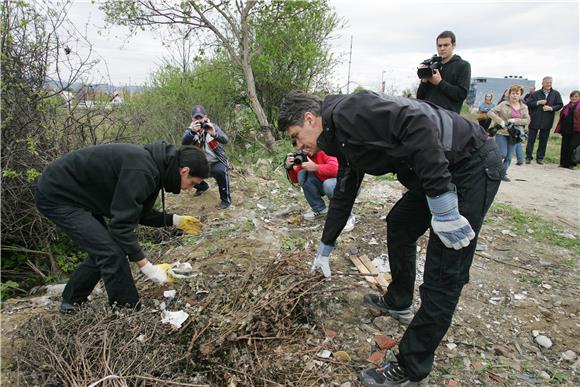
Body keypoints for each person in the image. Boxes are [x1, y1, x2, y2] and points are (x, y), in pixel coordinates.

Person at [278, 90, 502, 386]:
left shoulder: (350, 111)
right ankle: (399, 300)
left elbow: (418, 122)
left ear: (309, 119)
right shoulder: (339, 135)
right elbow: (345, 188)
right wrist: (326, 245)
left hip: (469, 163)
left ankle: (412, 366)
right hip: (435, 167)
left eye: (296, 137)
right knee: (400, 224)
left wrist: (443, 203)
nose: (299, 146)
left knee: (446, 269)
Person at [36, 142, 210, 313]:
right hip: (58, 194)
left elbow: (139, 213)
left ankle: (72, 301)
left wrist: (176, 220)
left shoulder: (156, 169)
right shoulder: (142, 171)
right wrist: (149, 268)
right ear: (184, 171)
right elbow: (120, 227)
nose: (190, 188)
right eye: (193, 183)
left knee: (104, 247)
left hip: (80, 195)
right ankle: (126, 311)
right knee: (111, 252)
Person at [285, 148, 356, 231]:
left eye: (307, 146)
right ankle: (320, 210)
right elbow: (296, 180)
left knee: (328, 184)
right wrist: (289, 167)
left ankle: (348, 217)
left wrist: (316, 167)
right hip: (324, 184)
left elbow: (336, 169)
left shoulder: (326, 150)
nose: (304, 149)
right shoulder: (306, 157)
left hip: (348, 186)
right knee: (302, 174)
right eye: (302, 147)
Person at [182, 104, 232, 209]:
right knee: (184, 170)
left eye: (201, 117)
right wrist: (192, 132)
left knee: (221, 171)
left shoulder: (213, 126)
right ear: (192, 118)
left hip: (215, 162)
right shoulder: (190, 131)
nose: (199, 120)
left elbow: (225, 139)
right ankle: (202, 186)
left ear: (205, 117)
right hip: (200, 164)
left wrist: (214, 133)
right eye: (196, 118)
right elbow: (184, 143)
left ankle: (225, 201)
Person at [416, 30, 471, 113]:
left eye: (446, 45)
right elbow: (419, 98)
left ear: (453, 45)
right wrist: (424, 81)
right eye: (439, 45)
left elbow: (461, 95)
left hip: (448, 119)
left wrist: (440, 82)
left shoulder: (463, 65)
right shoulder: (432, 66)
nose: (442, 48)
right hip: (427, 117)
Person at [487, 85, 530, 181]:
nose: (515, 96)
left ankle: (502, 173)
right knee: (502, 153)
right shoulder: (503, 104)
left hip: (515, 135)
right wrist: (500, 121)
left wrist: (516, 120)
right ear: (509, 94)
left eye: (517, 93)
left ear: (520, 95)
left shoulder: (524, 107)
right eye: (513, 93)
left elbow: (527, 120)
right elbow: (490, 112)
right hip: (502, 132)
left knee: (509, 157)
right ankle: (492, 168)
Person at [525, 76, 563, 164]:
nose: (548, 84)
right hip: (535, 119)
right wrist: (538, 102)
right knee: (531, 140)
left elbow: (560, 105)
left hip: (547, 120)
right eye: (547, 82)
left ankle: (540, 158)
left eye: (550, 82)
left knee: (543, 141)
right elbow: (528, 103)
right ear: (542, 83)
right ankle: (528, 157)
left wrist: (551, 108)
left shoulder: (556, 94)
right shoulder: (535, 93)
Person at [554, 90, 580, 169]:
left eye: (576, 96)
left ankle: (571, 164)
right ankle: (563, 163)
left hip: (576, 130)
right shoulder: (566, 107)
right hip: (566, 129)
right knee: (564, 146)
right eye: (572, 96)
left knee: (572, 146)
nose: (574, 98)